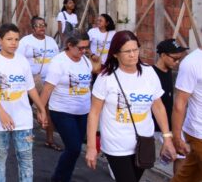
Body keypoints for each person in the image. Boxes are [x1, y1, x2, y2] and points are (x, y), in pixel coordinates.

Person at [85, 30, 176, 181]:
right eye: (127, 51)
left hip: (144, 142)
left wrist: (167, 138)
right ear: (115, 54)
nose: (133, 55)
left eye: (135, 49)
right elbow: (94, 113)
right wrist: (91, 147)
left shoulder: (149, 73)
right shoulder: (106, 78)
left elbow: (158, 106)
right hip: (116, 144)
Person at [0, 23, 47, 182]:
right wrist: (2, 113)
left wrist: (41, 108)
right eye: (9, 39)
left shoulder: (22, 61)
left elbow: (30, 88)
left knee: (26, 158)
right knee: (0, 156)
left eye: (16, 39)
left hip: (23, 119)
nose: (13, 43)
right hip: (0, 120)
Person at [39, 31, 92, 182]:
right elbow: (48, 88)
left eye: (86, 48)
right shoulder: (59, 62)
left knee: (74, 150)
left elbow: (90, 79)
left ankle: (63, 177)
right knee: (74, 147)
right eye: (81, 48)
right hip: (62, 111)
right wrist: (41, 110)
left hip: (83, 111)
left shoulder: (85, 61)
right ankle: (59, 178)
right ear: (69, 45)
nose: (83, 51)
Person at [16, 16, 60, 150]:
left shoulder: (51, 41)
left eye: (43, 25)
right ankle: (23, 135)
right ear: (33, 28)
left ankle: (50, 139)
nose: (42, 27)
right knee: (25, 108)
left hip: (48, 81)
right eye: (38, 25)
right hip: (30, 80)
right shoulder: (25, 41)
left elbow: (58, 60)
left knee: (47, 109)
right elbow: (18, 60)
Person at [150, 39, 188, 176]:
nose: (177, 62)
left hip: (168, 124)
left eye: (179, 59)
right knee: (142, 160)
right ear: (163, 55)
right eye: (175, 58)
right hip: (152, 125)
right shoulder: (150, 73)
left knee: (181, 154)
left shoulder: (169, 72)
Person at [171, 39, 202, 181]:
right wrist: (177, 138)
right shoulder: (192, 63)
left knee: (189, 175)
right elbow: (180, 103)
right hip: (198, 132)